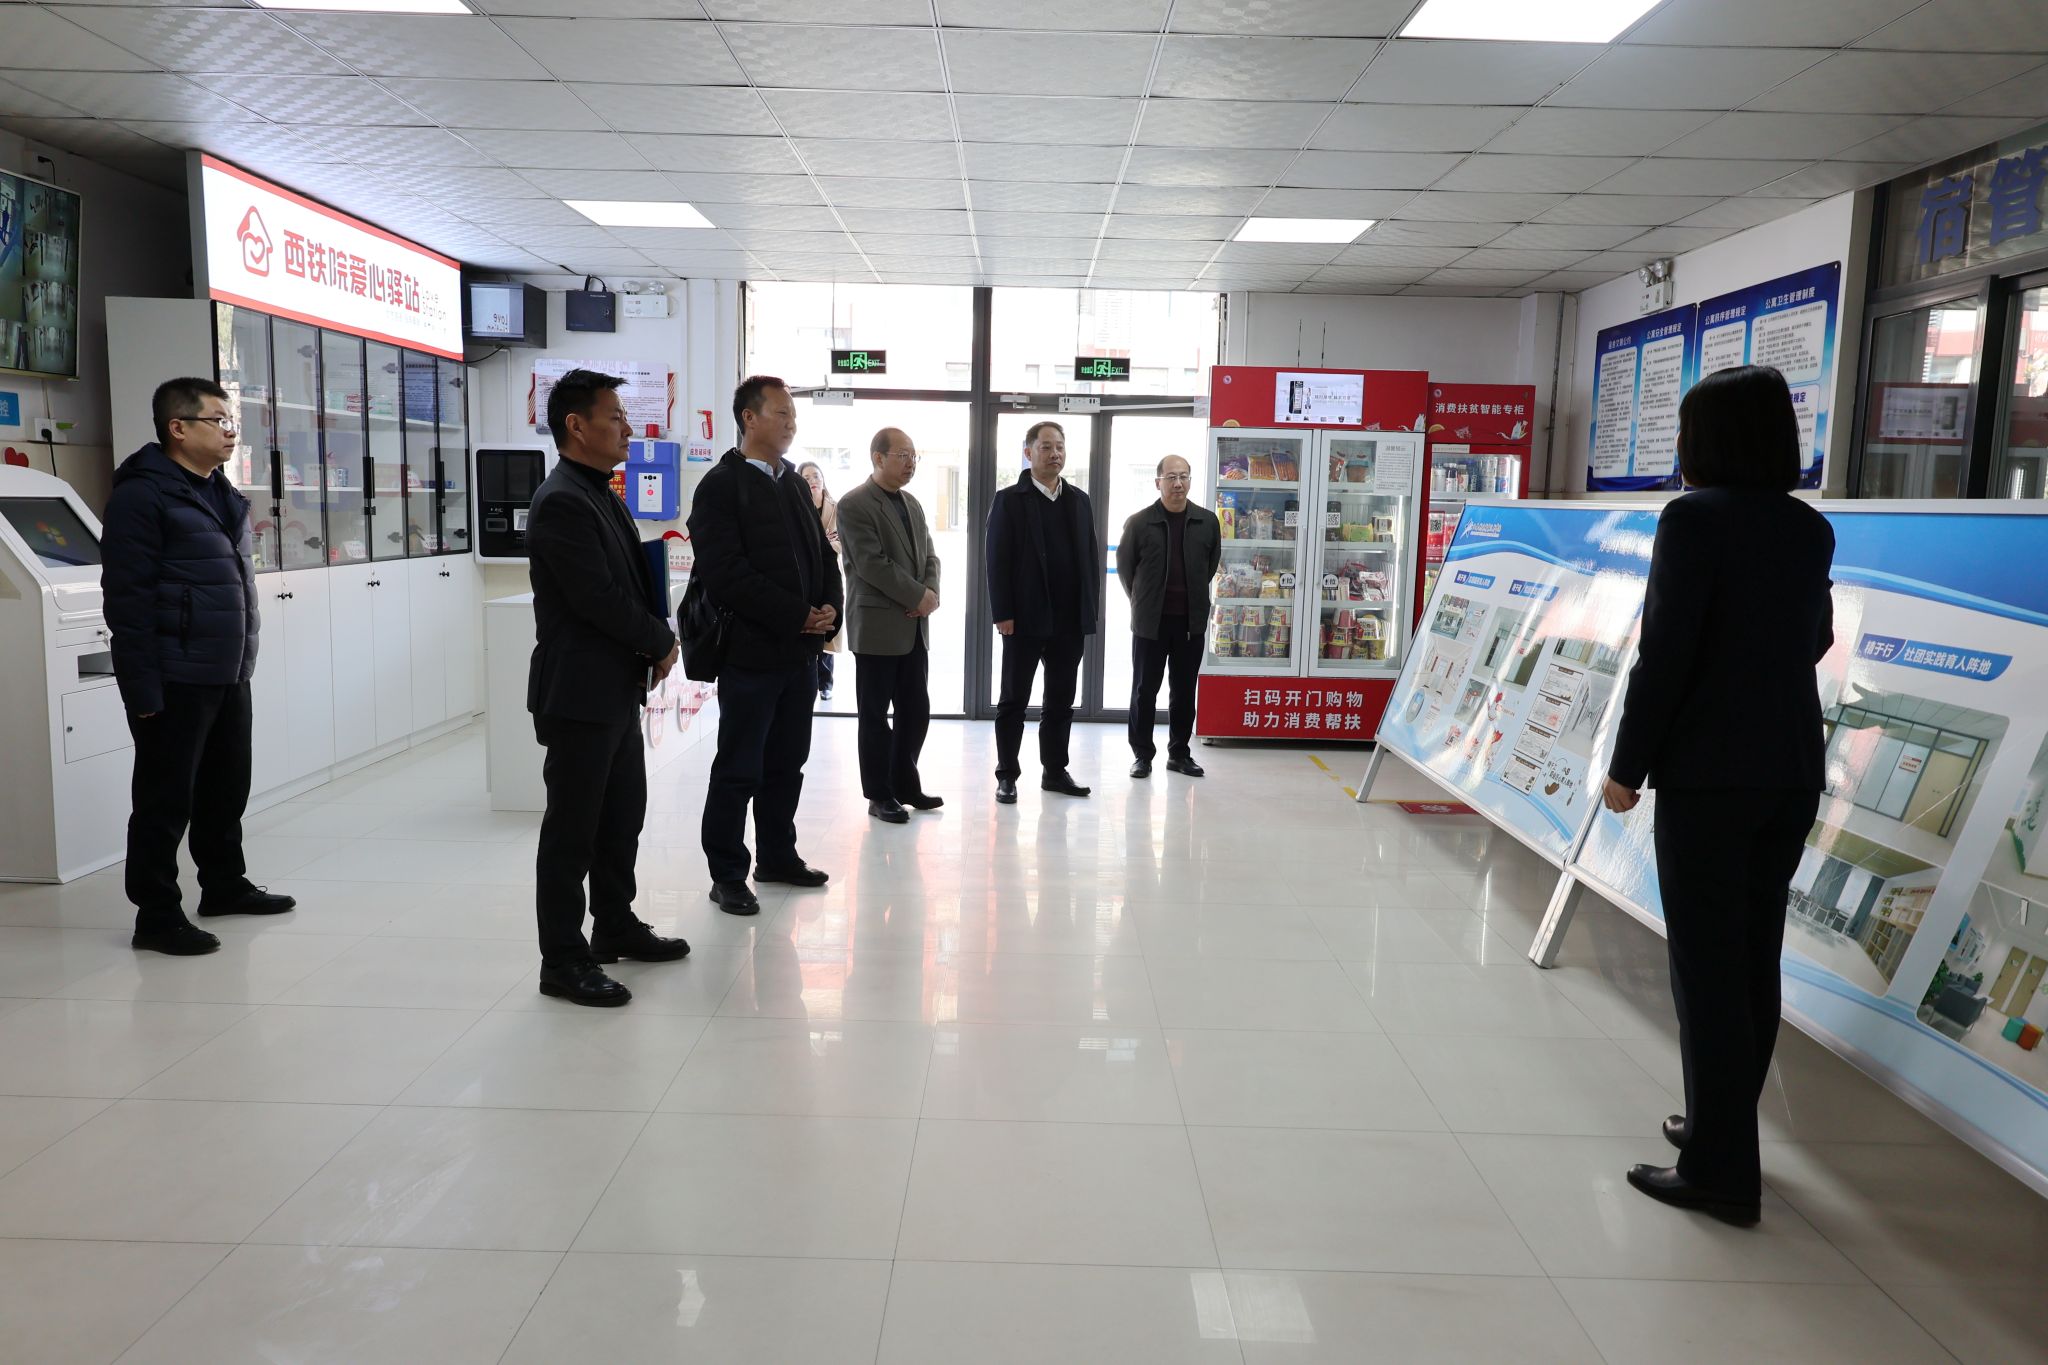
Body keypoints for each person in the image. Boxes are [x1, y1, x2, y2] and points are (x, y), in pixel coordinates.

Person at [1600, 363, 1835, 1227]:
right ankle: (1720, 1124)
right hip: (1789, 771)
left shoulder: (1691, 520)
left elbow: (1664, 653)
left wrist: (1628, 765)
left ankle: (1720, 1171)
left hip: (1710, 776)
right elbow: (1817, 637)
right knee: (1751, 960)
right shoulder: (1808, 527)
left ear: (1709, 440)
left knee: (1705, 970)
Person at [101, 378, 295, 956]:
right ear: (178, 428)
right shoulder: (143, 497)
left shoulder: (219, 490)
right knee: (165, 800)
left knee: (225, 788)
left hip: (227, 668)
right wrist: (142, 687)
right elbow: (128, 600)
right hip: (174, 673)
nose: (231, 432)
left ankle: (224, 884)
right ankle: (157, 914)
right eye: (219, 420)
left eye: (232, 421)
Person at [525, 368, 689, 1007]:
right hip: (579, 693)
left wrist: (651, 639)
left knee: (621, 816)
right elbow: (596, 597)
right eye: (615, 416)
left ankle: (614, 924)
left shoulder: (599, 491)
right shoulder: (562, 499)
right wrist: (659, 639)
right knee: (572, 830)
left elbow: (626, 584)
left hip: (614, 688)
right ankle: (563, 959)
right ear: (576, 425)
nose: (627, 427)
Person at [689, 376, 843, 915]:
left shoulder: (794, 484)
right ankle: (727, 873)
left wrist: (829, 609)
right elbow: (725, 574)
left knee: (787, 762)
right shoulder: (720, 486)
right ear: (749, 418)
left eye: (793, 415)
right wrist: (795, 614)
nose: (790, 423)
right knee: (739, 767)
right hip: (750, 655)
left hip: (800, 655)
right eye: (781, 413)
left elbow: (824, 556)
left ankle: (777, 856)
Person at [986, 420, 1099, 804]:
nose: (1055, 454)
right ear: (1028, 452)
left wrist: (1089, 611)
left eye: (1060, 447)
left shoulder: (1079, 499)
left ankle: (1054, 771)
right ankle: (1007, 775)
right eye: (1046, 447)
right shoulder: (1009, 499)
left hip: (1069, 620)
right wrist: (1002, 612)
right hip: (1024, 618)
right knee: (1013, 701)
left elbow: (1090, 559)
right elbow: (996, 560)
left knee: (1060, 702)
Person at [836, 427, 942, 822]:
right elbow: (871, 564)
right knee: (875, 716)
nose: (911, 462)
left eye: (914, 455)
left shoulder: (912, 503)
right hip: (877, 627)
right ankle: (879, 795)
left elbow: (930, 556)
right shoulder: (854, 504)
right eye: (903, 455)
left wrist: (930, 593)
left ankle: (906, 784)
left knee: (916, 710)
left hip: (914, 627)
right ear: (878, 458)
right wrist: (917, 596)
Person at [1116, 454, 1221, 779]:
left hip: (1190, 623)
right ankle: (1142, 755)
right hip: (1151, 623)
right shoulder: (1139, 522)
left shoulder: (1207, 522)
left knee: (1184, 691)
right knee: (1144, 690)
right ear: (1158, 482)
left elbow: (1210, 566)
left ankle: (1179, 754)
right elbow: (1126, 569)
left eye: (1184, 476)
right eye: (1171, 477)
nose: (1178, 483)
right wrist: (1143, 602)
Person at [799, 461, 842, 701]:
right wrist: (824, 542)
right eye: (806, 477)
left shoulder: (836, 508)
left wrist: (821, 545)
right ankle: (809, 680)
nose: (812, 481)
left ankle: (826, 683)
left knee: (828, 628)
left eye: (816, 476)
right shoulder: (796, 505)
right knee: (809, 624)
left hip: (829, 575)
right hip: (805, 576)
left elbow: (839, 541)